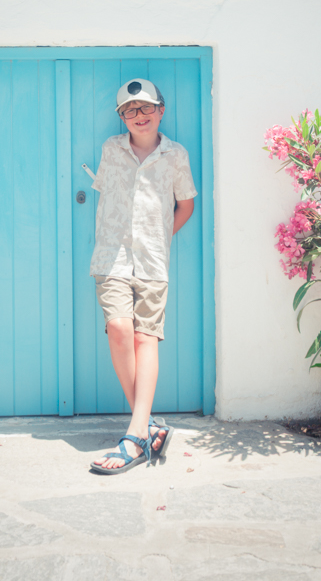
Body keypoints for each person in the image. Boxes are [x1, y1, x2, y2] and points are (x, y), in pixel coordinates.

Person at [90, 78, 197, 474]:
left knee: (144, 337)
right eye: (130, 110)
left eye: (146, 107)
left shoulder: (176, 154)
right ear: (122, 117)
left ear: (160, 111)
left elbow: (185, 205)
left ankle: (136, 435)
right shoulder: (111, 149)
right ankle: (147, 426)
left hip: (152, 261)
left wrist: (159, 238)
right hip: (112, 256)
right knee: (119, 328)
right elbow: (105, 196)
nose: (139, 115)